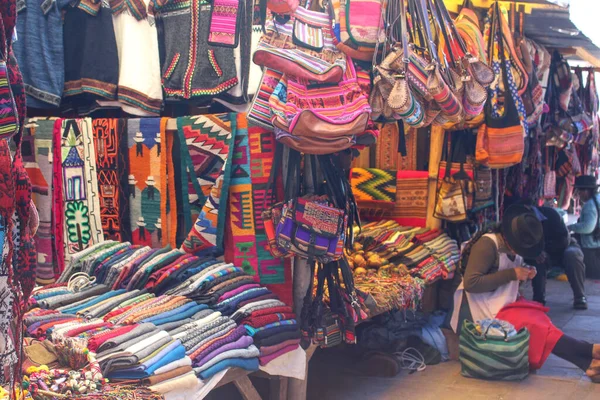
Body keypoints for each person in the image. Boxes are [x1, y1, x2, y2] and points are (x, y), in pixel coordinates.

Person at [450, 205, 600, 381]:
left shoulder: (512, 244)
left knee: (540, 319)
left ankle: (589, 361)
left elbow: (505, 278)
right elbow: (471, 283)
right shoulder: (487, 245)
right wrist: (512, 274)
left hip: (501, 303)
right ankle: (589, 352)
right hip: (477, 308)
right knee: (532, 325)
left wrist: (524, 274)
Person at [515, 200, 587, 309]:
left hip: (564, 247)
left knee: (572, 255)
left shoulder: (551, 214)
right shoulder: (520, 225)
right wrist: (535, 253)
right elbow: (521, 249)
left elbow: (564, 239)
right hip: (542, 253)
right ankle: (538, 300)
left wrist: (545, 250)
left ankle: (580, 296)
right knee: (537, 261)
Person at [570, 175, 600, 280]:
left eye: (579, 191)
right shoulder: (598, 199)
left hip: (592, 248)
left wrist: (571, 227)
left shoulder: (590, 205)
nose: (578, 194)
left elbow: (588, 227)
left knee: (591, 274)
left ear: (586, 191)